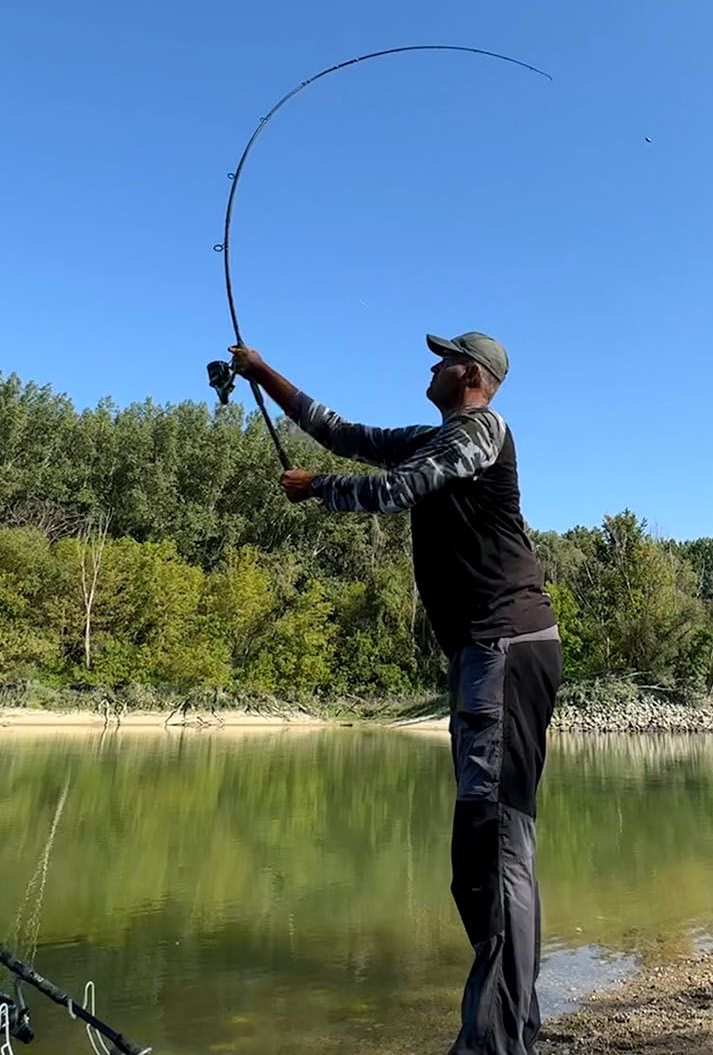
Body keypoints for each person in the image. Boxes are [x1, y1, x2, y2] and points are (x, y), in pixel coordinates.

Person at [229, 333, 561, 1055]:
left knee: (492, 844)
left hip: (505, 648)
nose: (431, 367)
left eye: (443, 359)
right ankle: (510, 1026)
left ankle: (494, 1043)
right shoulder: (435, 437)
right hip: (490, 653)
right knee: (485, 851)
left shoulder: (481, 432)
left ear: (470, 374)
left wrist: (318, 488)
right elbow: (344, 433)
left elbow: (394, 488)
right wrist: (264, 374)